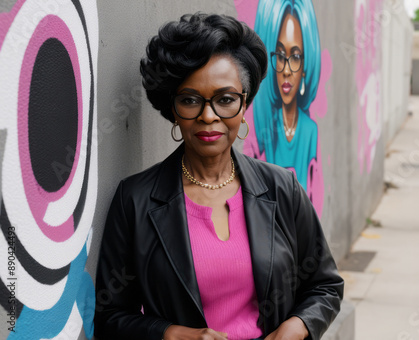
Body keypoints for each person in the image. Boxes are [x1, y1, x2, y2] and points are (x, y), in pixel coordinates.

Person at [95, 13, 343, 340]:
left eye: (225, 100)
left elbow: (325, 285)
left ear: (244, 105)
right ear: (172, 109)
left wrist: (294, 330)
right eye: (190, 100)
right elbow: (108, 316)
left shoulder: (282, 188)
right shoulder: (136, 200)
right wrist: (173, 334)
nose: (208, 116)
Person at [251, 0, 321, 199]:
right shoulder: (266, 131)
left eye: (296, 57)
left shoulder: (310, 131)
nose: (287, 70)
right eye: (280, 56)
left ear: (306, 68)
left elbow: (312, 195)